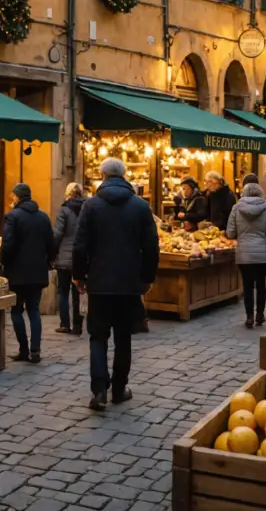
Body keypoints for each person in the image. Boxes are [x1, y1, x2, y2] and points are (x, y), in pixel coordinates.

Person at [73, 158, 159, 411]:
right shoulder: (140, 206)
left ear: (102, 175)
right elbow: (152, 247)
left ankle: (99, 390)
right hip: (129, 283)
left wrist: (78, 275)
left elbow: (80, 246)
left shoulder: (91, 206)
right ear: (124, 175)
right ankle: (119, 389)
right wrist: (147, 278)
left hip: (99, 282)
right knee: (123, 338)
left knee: (98, 337)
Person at [0, 184, 56, 364]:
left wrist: (4, 263)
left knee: (16, 310)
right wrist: (47, 262)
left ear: (17, 197)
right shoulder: (43, 217)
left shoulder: (12, 217)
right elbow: (52, 244)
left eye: (12, 196)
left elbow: (7, 244)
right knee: (34, 311)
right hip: (38, 271)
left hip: (17, 272)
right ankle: (35, 350)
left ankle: (23, 349)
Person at [226, 183, 266, 328]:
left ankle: (249, 316)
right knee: (261, 285)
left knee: (247, 285)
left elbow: (230, 233)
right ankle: (260, 315)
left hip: (243, 252)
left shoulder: (236, 208)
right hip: (261, 253)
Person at [53, 182, 86, 335]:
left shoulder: (64, 210)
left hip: (64, 258)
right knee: (78, 291)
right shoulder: (87, 209)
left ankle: (65, 323)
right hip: (81, 257)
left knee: (63, 292)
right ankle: (78, 325)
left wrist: (53, 252)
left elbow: (58, 234)